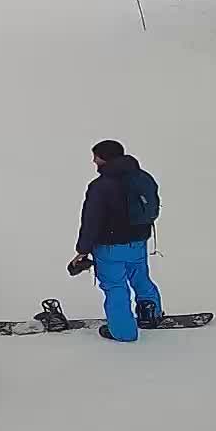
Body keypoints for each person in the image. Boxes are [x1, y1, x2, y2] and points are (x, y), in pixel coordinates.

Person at [71, 140, 163, 342]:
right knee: (140, 278)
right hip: (138, 242)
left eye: (96, 156)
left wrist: (82, 250)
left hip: (109, 247)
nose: (93, 160)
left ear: (105, 158)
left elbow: (91, 220)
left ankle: (123, 332)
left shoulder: (100, 186)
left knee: (115, 286)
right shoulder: (143, 178)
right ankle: (151, 314)